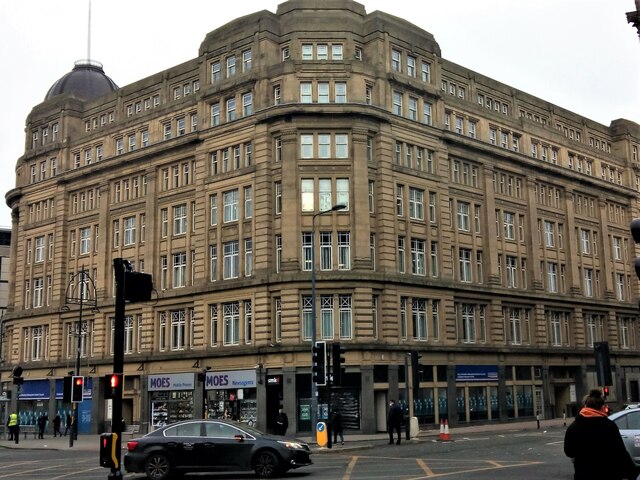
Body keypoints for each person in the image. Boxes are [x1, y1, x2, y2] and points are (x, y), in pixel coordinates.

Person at [564, 388, 638, 480]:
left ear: (585, 406)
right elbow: (620, 452)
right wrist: (632, 473)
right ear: (602, 407)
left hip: (584, 474)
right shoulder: (609, 426)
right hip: (608, 474)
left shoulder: (574, 427)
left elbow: (569, 451)